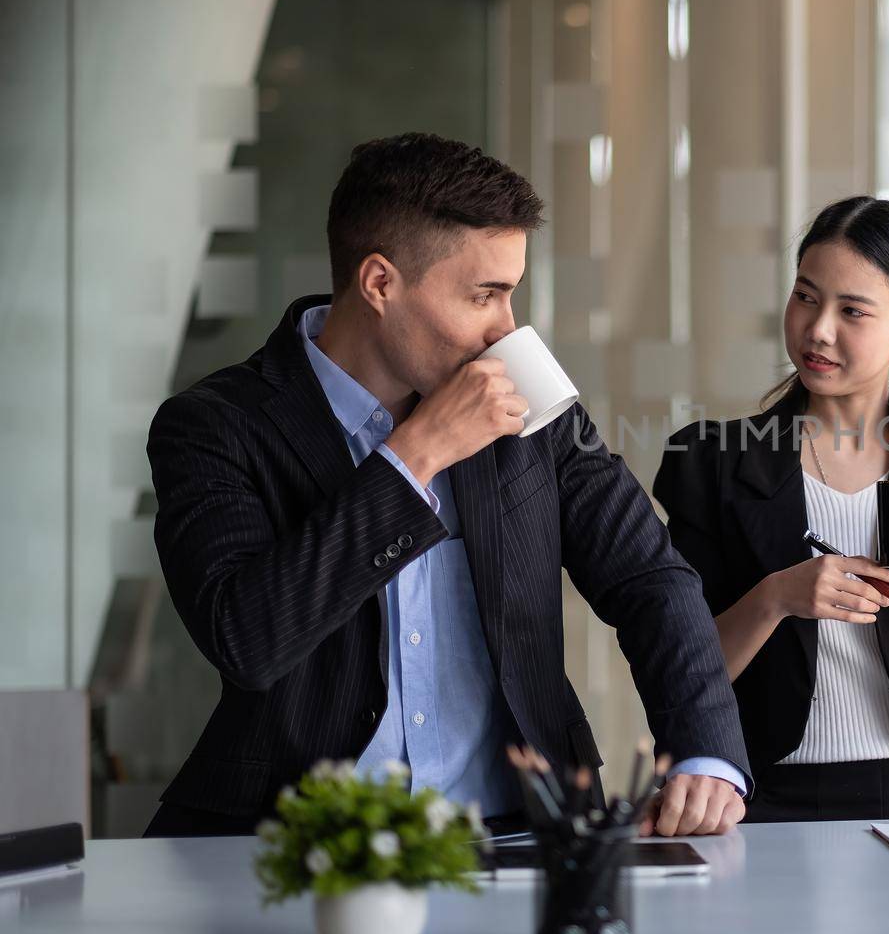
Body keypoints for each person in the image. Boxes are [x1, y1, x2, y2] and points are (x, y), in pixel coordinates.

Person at [145, 133, 748, 838]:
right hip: (295, 841)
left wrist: (706, 756)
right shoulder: (214, 426)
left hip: (520, 831)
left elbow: (649, 578)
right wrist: (416, 454)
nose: (508, 329)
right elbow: (246, 637)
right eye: (484, 295)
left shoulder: (529, 397)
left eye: (511, 293)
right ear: (379, 283)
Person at [652, 196, 889, 822]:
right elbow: (683, 671)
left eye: (852, 310)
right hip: (767, 799)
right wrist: (777, 596)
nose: (817, 329)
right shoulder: (714, 462)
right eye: (805, 296)